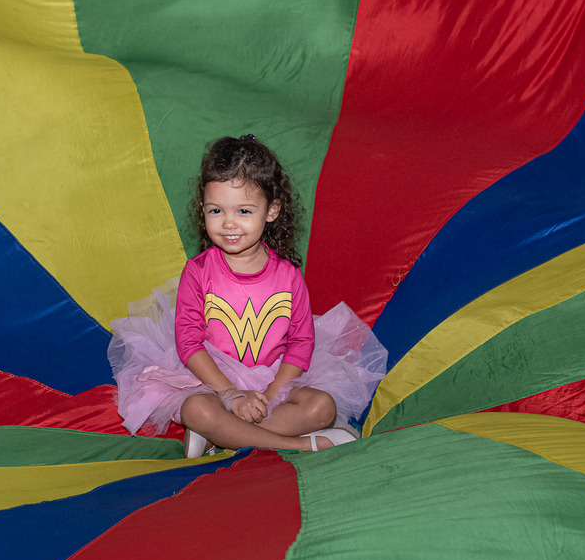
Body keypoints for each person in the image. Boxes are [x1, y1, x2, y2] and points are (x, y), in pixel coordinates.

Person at [108, 134, 387, 457]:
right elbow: (189, 343)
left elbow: (301, 342)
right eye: (216, 210)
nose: (228, 223)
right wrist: (231, 394)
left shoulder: (288, 276)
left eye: (243, 210)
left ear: (271, 211)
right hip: (214, 381)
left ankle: (219, 436)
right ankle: (300, 444)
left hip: (275, 381)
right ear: (202, 209)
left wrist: (270, 394)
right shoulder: (198, 272)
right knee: (197, 410)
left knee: (321, 407)